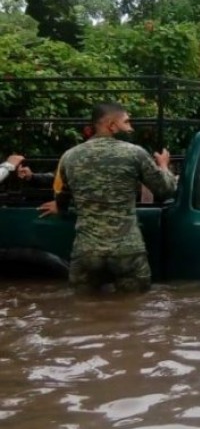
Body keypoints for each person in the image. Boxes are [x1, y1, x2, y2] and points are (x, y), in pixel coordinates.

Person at [38, 102, 177, 294]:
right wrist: (163, 165)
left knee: (83, 310)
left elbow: (61, 199)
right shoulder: (135, 153)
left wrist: (58, 205)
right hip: (127, 251)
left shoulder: (69, 157)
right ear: (111, 125)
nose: (131, 128)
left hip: (86, 252)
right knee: (135, 309)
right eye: (127, 122)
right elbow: (166, 189)